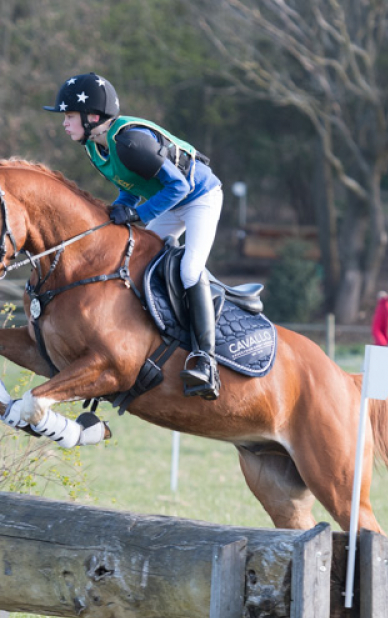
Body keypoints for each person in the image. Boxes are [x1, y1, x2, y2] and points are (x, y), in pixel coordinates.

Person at [44, 72, 223, 400]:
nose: (64, 123)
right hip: (167, 202)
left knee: (189, 270)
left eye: (69, 116)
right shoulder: (95, 146)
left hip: (199, 198)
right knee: (137, 263)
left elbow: (180, 186)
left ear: (92, 117)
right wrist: (119, 209)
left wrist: (139, 214)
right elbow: (129, 183)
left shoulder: (131, 142)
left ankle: (205, 359)